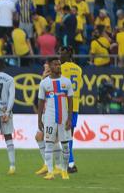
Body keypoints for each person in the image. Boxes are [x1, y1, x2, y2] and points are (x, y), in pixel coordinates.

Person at [37, 58, 74, 180]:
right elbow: (41, 102)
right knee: (49, 144)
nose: (59, 66)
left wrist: (70, 119)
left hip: (63, 119)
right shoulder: (44, 83)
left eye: (59, 64)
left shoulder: (67, 82)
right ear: (51, 67)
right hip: (49, 118)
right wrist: (39, 120)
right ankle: (50, 172)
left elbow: (70, 102)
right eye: (56, 64)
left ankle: (64, 171)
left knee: (65, 146)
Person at [59, 46, 82, 174]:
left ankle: (69, 164)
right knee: (69, 136)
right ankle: (70, 163)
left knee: (64, 137)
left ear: (68, 54)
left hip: (65, 106)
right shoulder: (79, 69)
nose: (59, 56)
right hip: (75, 106)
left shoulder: (62, 68)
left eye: (61, 54)